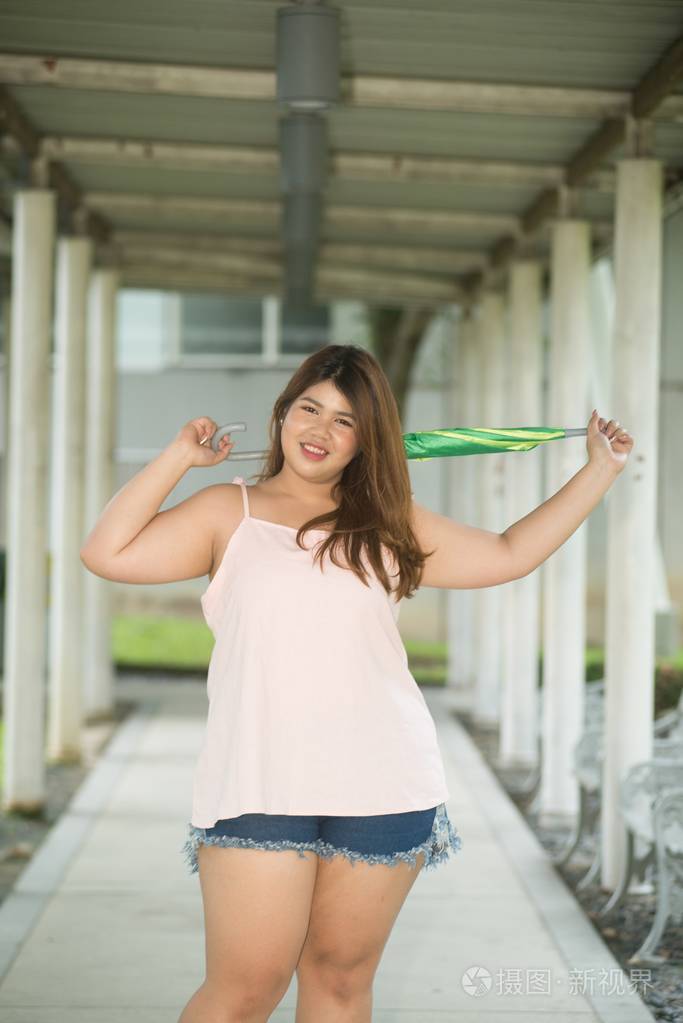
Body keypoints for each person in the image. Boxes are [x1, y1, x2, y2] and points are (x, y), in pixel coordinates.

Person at [80, 342, 633, 1023]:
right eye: (309, 408)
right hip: (258, 780)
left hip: (381, 779)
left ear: (364, 440)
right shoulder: (230, 511)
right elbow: (106, 551)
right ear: (282, 415)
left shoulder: (386, 522)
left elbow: (507, 553)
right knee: (245, 988)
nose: (320, 429)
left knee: (339, 981)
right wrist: (178, 459)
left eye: (344, 420)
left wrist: (598, 471)